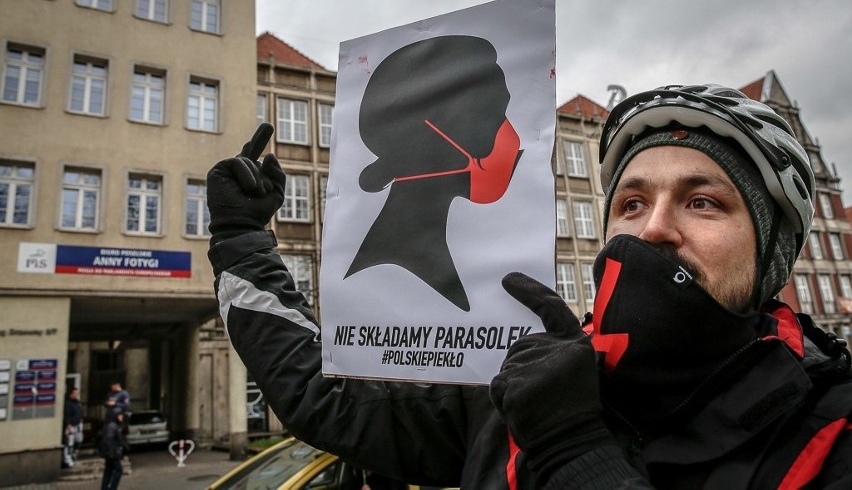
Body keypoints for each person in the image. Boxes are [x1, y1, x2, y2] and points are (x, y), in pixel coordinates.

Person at [206, 84, 852, 488]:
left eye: (703, 202)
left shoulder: (831, 428)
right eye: (630, 204)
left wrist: (571, 444)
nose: (652, 229)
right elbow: (322, 398)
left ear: (774, 255)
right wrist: (241, 241)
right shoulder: (524, 377)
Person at [99, 408, 129, 490]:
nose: (122, 417)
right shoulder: (112, 426)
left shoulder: (113, 425)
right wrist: (112, 453)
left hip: (111, 453)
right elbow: (108, 440)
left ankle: (104, 488)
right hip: (113, 454)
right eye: (120, 415)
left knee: (108, 472)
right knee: (118, 470)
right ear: (115, 416)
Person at [62, 386, 83, 468]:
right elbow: (67, 415)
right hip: (71, 426)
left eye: (78, 393)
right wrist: (68, 425)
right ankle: (67, 459)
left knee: (79, 440)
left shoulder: (78, 403)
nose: (77, 395)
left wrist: (81, 420)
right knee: (69, 443)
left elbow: (80, 412)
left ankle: (73, 455)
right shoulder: (68, 403)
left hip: (78, 425)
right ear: (71, 394)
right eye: (75, 393)